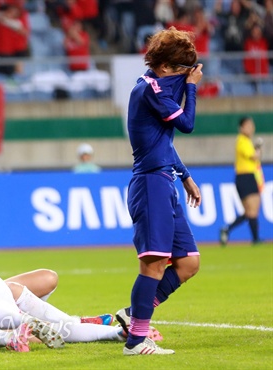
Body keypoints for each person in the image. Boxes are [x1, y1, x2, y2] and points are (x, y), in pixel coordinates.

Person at [118, 27, 203, 356]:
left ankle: (133, 315)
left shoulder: (155, 86)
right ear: (166, 67)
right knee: (153, 265)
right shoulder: (151, 89)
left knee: (188, 263)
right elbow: (187, 124)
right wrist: (192, 88)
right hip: (150, 184)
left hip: (164, 180)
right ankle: (136, 340)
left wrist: (185, 176)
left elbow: (162, 143)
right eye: (184, 70)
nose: (188, 76)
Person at [220, 116, 264, 245]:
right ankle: (255, 239)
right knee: (253, 210)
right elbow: (254, 156)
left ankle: (227, 229)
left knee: (249, 211)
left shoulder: (246, 141)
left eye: (252, 125)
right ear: (241, 127)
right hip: (246, 177)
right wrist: (259, 148)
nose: (251, 127)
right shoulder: (242, 140)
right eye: (248, 125)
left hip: (244, 178)